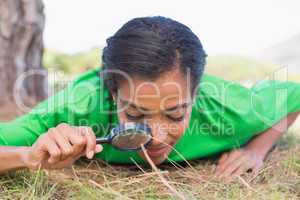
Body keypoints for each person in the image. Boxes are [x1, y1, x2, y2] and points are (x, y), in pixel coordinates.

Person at [0, 16, 299, 179]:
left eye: (175, 114)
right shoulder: (78, 106)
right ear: (112, 94)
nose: (156, 138)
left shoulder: (227, 108)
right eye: (134, 114)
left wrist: (258, 149)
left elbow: (294, 94)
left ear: (197, 95)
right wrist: (28, 156)